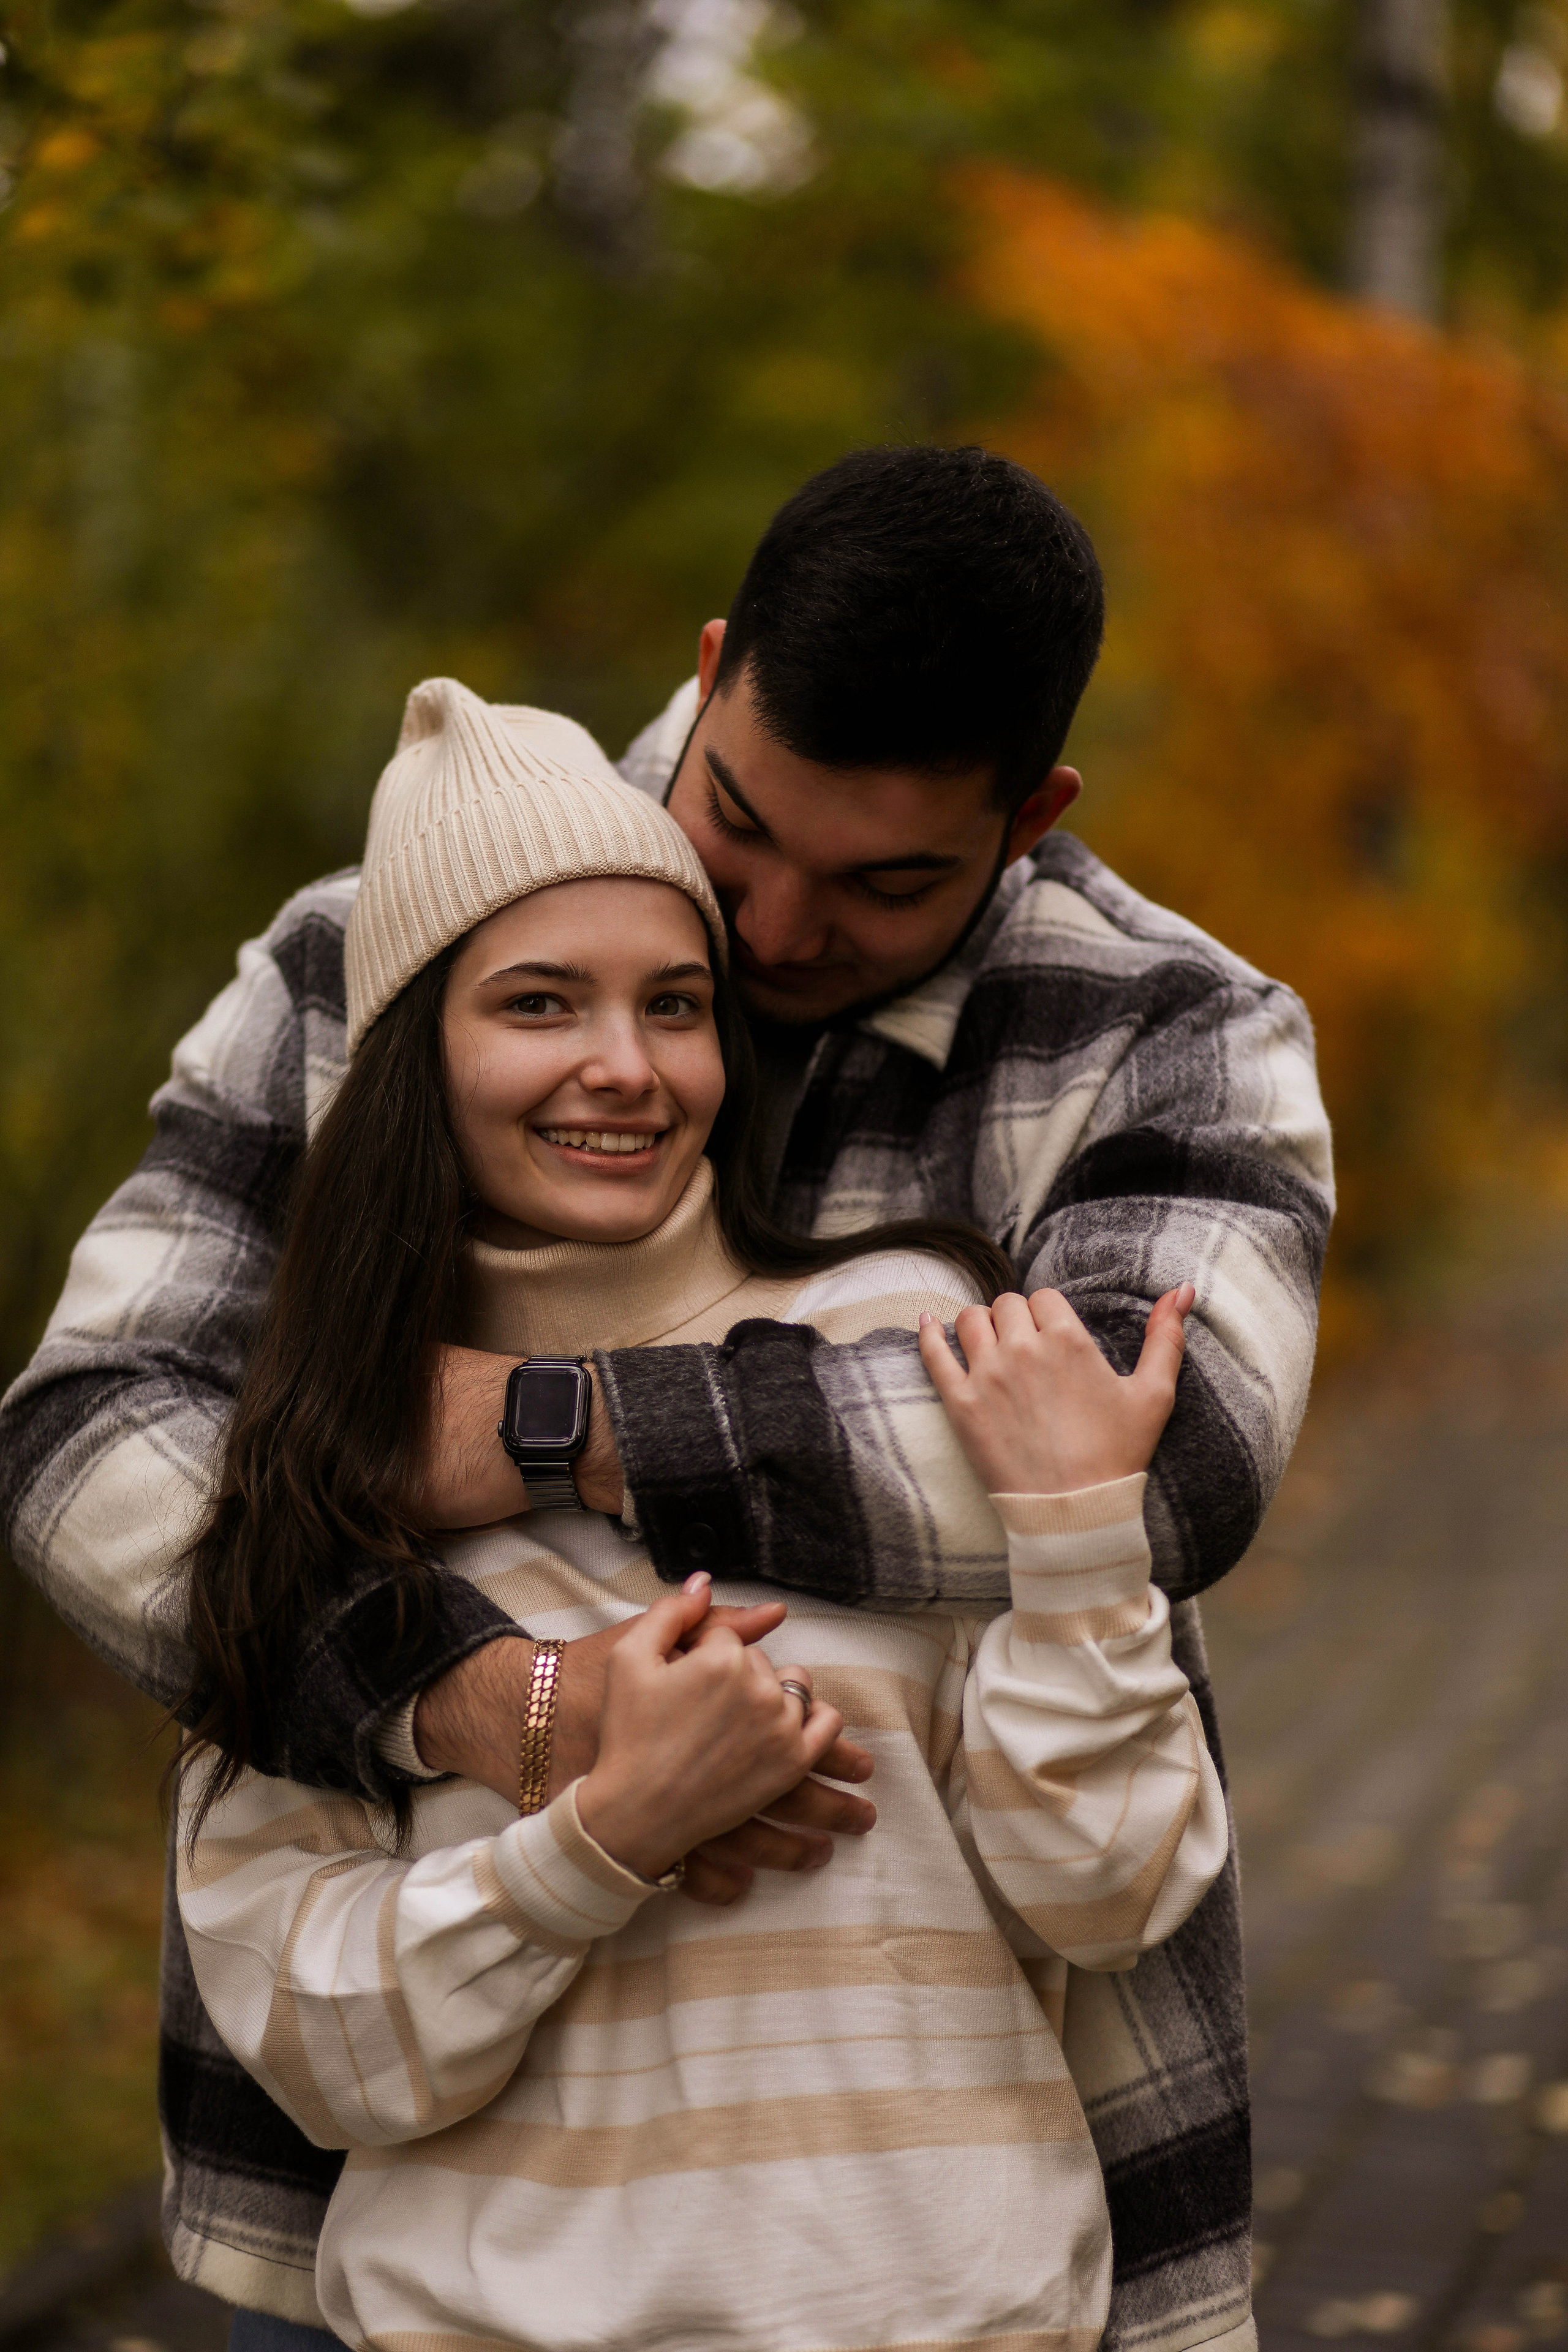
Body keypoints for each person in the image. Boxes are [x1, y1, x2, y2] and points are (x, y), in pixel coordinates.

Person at [0, 445, 1333, 2352]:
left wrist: (529, 1425)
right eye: (740, 830)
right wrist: (496, 1703)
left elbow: (1169, 1460)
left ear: (1028, 815)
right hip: (391, 2218)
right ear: (712, 679)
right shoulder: (373, 949)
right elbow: (92, 1436)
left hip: (947, 2221)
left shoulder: (1167, 1034)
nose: (777, 932)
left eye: (886, 882)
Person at [176, 677, 1230, 2352]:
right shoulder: (322, 1470)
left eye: (675, 1003)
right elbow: (325, 2053)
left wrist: (1087, 1541)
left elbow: (1107, 1893)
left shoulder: (912, 1348)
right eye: (539, 1003)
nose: (626, 1066)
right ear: (408, 1058)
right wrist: (601, 1838)